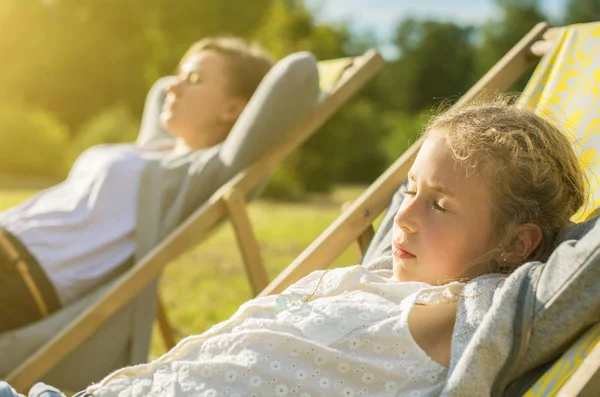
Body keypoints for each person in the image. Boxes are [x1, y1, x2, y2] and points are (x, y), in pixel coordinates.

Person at [26, 98, 589, 397]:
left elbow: (583, 269)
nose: (404, 218)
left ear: (517, 244)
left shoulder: (466, 314)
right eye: (409, 190)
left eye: (439, 205)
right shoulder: (372, 282)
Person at [0, 37, 274, 333]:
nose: (173, 87)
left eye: (193, 79)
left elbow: (290, 86)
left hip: (19, 277)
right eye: (179, 75)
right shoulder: (153, 150)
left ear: (232, 110)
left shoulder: (193, 175)